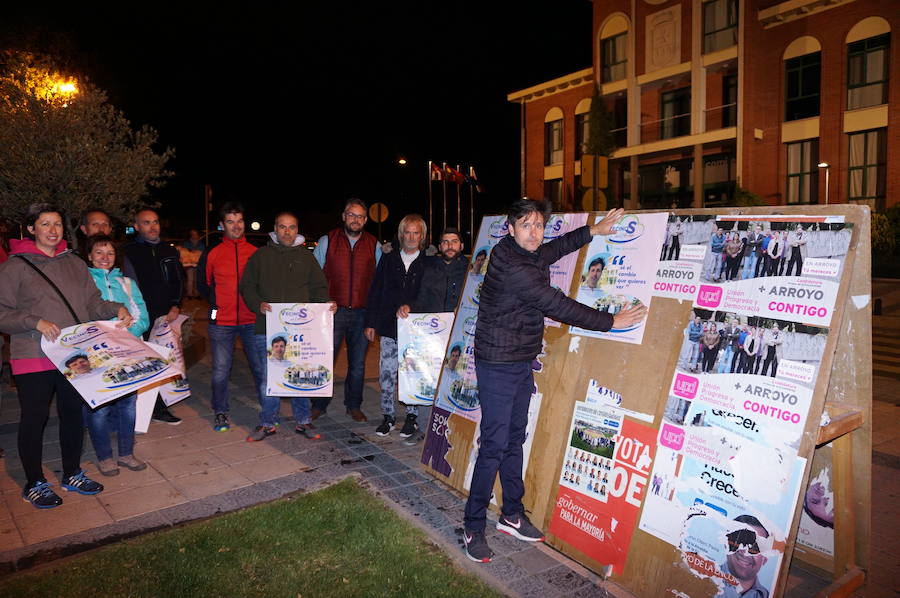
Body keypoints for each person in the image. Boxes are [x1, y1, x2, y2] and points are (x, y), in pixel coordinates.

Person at [461, 200, 648, 563]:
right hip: (497, 363)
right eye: (526, 225)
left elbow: (550, 251)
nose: (534, 233)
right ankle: (472, 525)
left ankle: (512, 513)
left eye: (539, 225)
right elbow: (559, 305)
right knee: (495, 446)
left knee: (514, 438)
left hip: (517, 360)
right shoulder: (514, 267)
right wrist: (612, 322)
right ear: (510, 228)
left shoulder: (522, 251)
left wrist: (592, 231)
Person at [0, 203, 134, 508]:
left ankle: (72, 472)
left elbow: (92, 302)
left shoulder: (74, 264)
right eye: (44, 224)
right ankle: (34, 481)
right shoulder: (14, 266)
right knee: (34, 419)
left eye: (57, 224)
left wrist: (117, 309)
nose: (52, 230)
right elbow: (1, 312)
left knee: (73, 416)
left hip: (73, 356)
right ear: (31, 229)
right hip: (32, 354)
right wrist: (33, 321)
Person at [240, 211, 333, 441]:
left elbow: (319, 288)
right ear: (275, 229)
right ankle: (267, 422)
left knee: (299, 374)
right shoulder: (261, 256)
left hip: (301, 330)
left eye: (291, 227)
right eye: (282, 227)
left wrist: (325, 306)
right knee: (268, 378)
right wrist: (257, 304)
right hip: (267, 327)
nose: (287, 232)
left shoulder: (306, 257)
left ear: (297, 229)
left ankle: (303, 421)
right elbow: (247, 286)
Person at [83, 234, 150, 476]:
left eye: (110, 253)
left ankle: (126, 453)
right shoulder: (83, 281)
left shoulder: (127, 283)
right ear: (89, 256)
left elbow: (143, 315)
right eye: (99, 253)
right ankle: (104, 457)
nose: (104, 258)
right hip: (96, 353)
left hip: (126, 350)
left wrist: (128, 332)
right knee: (99, 406)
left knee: (128, 404)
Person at [312, 198, 382, 422]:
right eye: (351, 215)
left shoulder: (374, 244)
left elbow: (380, 284)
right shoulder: (328, 241)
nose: (355, 220)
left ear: (365, 220)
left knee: (358, 365)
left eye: (360, 216)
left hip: (362, 314)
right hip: (333, 313)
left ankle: (353, 405)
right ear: (343, 216)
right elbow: (314, 277)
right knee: (325, 360)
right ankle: (319, 405)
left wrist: (374, 318)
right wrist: (323, 301)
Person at [196, 202, 263, 432]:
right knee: (220, 370)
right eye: (230, 221)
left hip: (251, 320)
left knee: (260, 368)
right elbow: (202, 285)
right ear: (221, 225)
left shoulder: (255, 253)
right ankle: (220, 411)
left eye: (240, 221)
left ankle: (268, 409)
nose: (236, 226)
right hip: (221, 321)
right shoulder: (212, 253)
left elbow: (262, 285)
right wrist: (217, 304)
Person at [365, 214, 427, 438]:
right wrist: (371, 322)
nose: (411, 237)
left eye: (416, 232)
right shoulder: (389, 259)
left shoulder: (428, 262)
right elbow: (376, 291)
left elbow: (429, 295)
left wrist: (413, 307)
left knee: (411, 374)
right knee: (387, 374)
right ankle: (388, 416)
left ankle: (412, 417)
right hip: (390, 328)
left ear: (422, 236)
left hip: (415, 331)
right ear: (401, 235)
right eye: (407, 232)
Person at [123, 208, 184, 425]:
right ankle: (148, 408)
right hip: (140, 317)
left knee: (163, 361)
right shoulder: (127, 252)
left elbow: (178, 280)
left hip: (164, 316)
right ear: (137, 226)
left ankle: (159, 406)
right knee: (144, 362)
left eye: (156, 222)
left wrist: (175, 305)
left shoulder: (169, 251)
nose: (153, 227)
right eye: (147, 223)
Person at [720, 515, 771, 598]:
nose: (745, 552)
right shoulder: (701, 577)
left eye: (755, 547)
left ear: (765, 558)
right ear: (726, 544)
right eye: (740, 541)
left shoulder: (767, 595)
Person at [180, 228, 205, 299]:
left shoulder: (201, 244)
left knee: (197, 280)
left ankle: (197, 294)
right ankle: (189, 294)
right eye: (192, 234)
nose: (194, 235)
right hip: (189, 265)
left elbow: (202, 253)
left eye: (195, 234)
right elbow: (184, 253)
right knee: (190, 279)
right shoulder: (186, 243)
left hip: (198, 265)